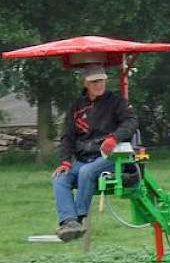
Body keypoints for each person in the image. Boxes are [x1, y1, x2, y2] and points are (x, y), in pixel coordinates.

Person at [52, 65, 138, 242]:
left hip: (111, 158)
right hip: (83, 159)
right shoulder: (76, 107)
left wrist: (114, 138)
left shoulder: (117, 102)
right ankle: (69, 221)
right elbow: (67, 136)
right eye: (94, 81)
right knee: (60, 178)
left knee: (86, 172)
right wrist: (65, 162)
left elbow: (131, 122)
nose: (99, 85)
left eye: (102, 80)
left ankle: (78, 218)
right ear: (86, 83)